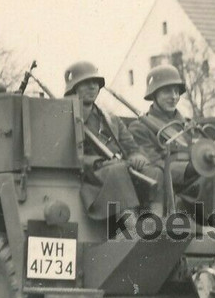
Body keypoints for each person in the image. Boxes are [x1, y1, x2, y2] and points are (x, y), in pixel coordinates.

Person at [128, 64, 215, 219]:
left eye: (176, 91)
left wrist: (211, 157)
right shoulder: (140, 127)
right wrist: (192, 168)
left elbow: (200, 150)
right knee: (210, 176)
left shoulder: (188, 124)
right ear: (154, 95)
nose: (174, 96)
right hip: (173, 185)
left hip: (194, 178)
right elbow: (154, 165)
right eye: (167, 91)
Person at [64, 61, 163, 221]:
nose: (92, 87)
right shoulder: (64, 117)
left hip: (117, 168)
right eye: (86, 83)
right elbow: (65, 154)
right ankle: (132, 228)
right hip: (90, 176)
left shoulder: (110, 118)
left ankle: (155, 224)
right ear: (74, 87)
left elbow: (131, 146)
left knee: (155, 172)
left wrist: (136, 156)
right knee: (117, 170)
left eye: (96, 83)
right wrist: (97, 162)